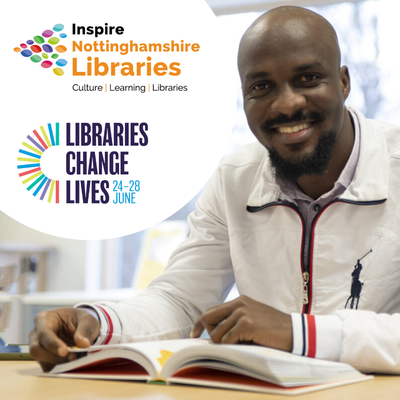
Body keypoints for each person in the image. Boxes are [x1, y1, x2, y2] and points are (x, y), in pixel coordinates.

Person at [30, 6, 400, 374]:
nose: (287, 103)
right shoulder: (235, 177)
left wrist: (296, 332)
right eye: (261, 87)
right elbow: (181, 299)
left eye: (307, 78)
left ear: (344, 82)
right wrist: (96, 323)